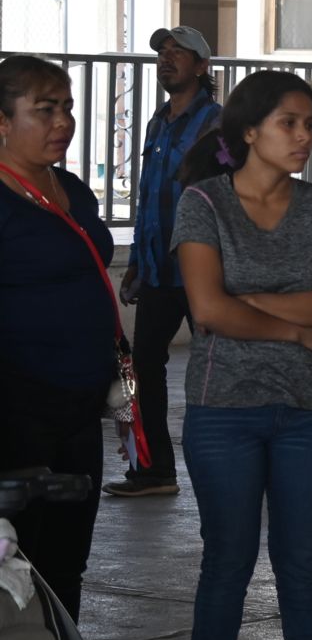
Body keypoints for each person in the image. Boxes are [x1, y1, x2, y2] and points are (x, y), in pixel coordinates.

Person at [171, 70, 312, 640]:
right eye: (290, 123)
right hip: (224, 410)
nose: (305, 137)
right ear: (250, 130)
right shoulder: (203, 204)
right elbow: (205, 311)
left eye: (311, 125)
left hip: (310, 409)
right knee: (228, 556)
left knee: (300, 557)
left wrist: (244, 305)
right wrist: (293, 327)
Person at [0, 55, 118, 640]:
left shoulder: (69, 188)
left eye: (67, 106)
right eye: (44, 108)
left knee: (65, 555)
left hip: (79, 408)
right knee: (11, 557)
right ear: (2, 121)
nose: (63, 122)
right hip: (15, 407)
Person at [105, 26, 222, 497]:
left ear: (201, 67)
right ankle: (153, 470)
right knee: (138, 367)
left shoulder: (218, 124)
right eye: (163, 53)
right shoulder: (156, 122)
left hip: (204, 271)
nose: (168, 59)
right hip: (158, 271)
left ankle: (239, 467)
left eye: (179, 53)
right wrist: (136, 260)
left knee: (220, 368)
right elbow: (148, 198)